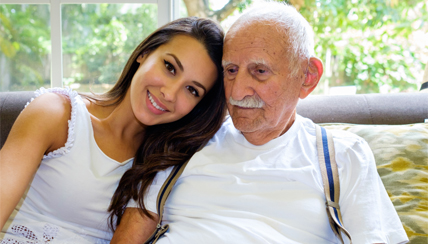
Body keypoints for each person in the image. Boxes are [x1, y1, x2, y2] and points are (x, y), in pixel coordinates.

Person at [111, 2, 409, 244]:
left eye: (260, 71)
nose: (238, 92)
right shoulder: (186, 140)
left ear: (307, 77)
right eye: (230, 70)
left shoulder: (343, 155)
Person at [0, 17, 226, 243]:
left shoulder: (166, 163)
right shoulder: (57, 113)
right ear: (144, 54)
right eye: (170, 67)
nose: (169, 93)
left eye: (192, 90)